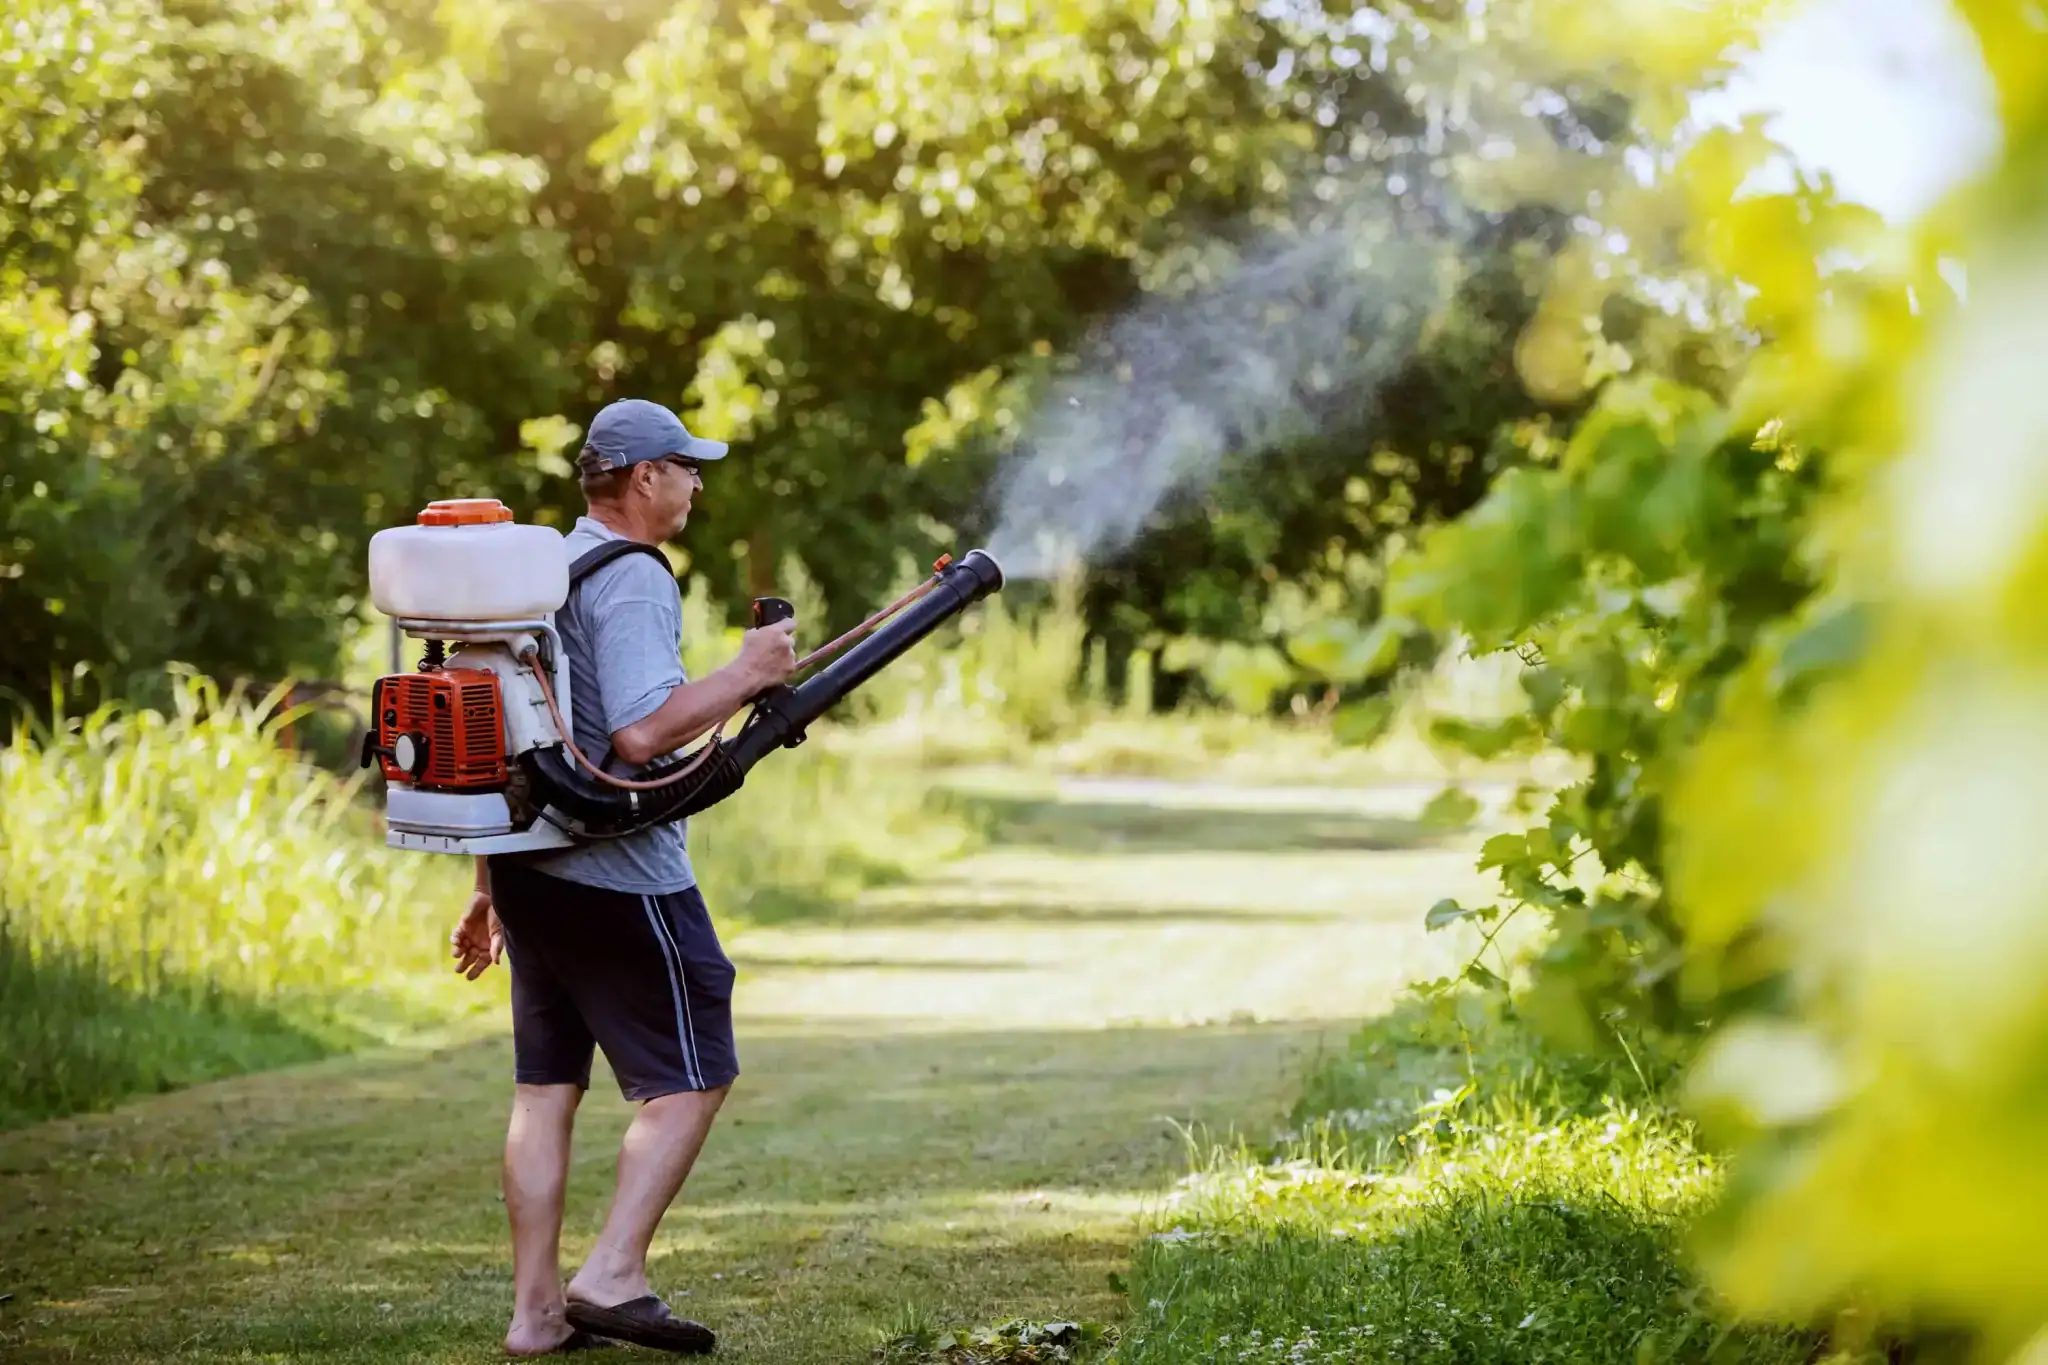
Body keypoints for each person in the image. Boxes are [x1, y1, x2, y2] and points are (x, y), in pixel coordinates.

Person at [447, 398, 798, 1357]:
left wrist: (487, 886)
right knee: (694, 1068)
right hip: (620, 871)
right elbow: (641, 733)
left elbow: (505, 737)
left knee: (544, 1089)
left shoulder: (538, 570)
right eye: (686, 467)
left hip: (530, 869)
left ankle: (535, 1316)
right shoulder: (635, 576)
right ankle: (611, 1273)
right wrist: (751, 670)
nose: (695, 483)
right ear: (643, 476)